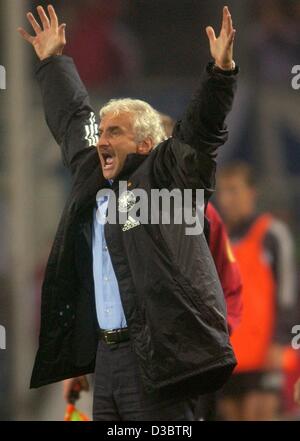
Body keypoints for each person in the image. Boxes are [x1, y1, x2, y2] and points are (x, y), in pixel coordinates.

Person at [18, 5, 238, 421]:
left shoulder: (167, 174)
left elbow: (201, 130)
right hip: (107, 357)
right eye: (101, 132)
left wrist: (221, 72)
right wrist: (52, 62)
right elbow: (72, 120)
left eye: (114, 131)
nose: (101, 139)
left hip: (159, 355)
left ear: (144, 144)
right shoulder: (94, 176)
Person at [216, 162, 298, 421]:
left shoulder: (272, 233)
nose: (227, 199)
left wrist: (280, 340)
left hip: (266, 352)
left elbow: (288, 292)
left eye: (234, 190)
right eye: (223, 192)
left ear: (252, 192)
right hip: (231, 354)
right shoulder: (218, 241)